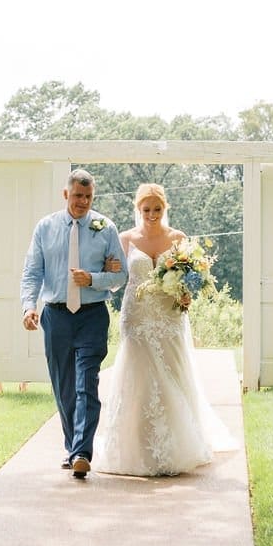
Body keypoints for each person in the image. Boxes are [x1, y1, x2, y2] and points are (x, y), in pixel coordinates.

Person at [93, 183, 236, 477]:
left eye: (157, 209)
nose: (152, 214)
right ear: (138, 210)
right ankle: (136, 447)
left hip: (169, 315)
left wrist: (186, 294)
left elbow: (192, 277)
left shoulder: (178, 238)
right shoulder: (126, 239)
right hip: (137, 315)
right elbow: (118, 279)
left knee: (172, 371)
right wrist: (108, 269)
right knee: (139, 374)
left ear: (164, 209)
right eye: (146, 210)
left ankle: (177, 444)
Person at [21, 168, 127, 480]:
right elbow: (31, 272)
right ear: (66, 194)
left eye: (88, 196)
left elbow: (121, 276)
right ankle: (73, 447)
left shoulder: (105, 228)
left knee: (86, 385)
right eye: (77, 196)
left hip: (92, 315)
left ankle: (82, 452)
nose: (82, 202)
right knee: (64, 387)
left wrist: (93, 278)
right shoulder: (45, 227)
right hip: (55, 316)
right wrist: (29, 307)